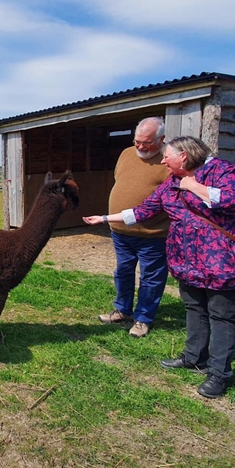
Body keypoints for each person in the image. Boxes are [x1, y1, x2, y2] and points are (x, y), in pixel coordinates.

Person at [83, 135, 235, 398]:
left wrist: (194, 187)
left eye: (167, 155)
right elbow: (143, 211)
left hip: (222, 263)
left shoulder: (223, 171)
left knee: (222, 316)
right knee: (194, 309)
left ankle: (219, 374)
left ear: (184, 156)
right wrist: (105, 218)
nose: (163, 160)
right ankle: (194, 358)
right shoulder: (171, 186)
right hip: (189, 262)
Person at [98, 116, 169, 339]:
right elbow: (120, 178)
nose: (139, 146)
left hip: (153, 233)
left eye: (146, 143)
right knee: (123, 272)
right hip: (120, 231)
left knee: (151, 277)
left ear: (161, 139)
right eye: (136, 141)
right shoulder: (127, 154)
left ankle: (143, 319)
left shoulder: (169, 160)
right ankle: (123, 310)